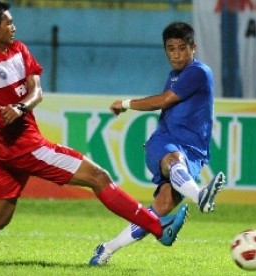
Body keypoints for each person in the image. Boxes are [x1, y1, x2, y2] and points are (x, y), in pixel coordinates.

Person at [0, 1, 200, 269]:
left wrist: (20, 106)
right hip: (24, 146)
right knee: (99, 177)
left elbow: (37, 90)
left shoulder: (19, 49)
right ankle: (159, 229)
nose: (14, 27)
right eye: (8, 22)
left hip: (8, 149)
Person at [88, 21, 226, 266]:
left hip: (193, 152)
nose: (176, 54)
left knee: (159, 209)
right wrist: (153, 141)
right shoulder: (175, 75)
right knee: (174, 160)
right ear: (165, 51)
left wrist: (126, 103)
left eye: (182, 48)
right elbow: (166, 104)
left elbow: (165, 100)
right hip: (168, 143)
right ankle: (200, 196)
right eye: (171, 49)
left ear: (193, 48)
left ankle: (106, 249)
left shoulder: (198, 71)